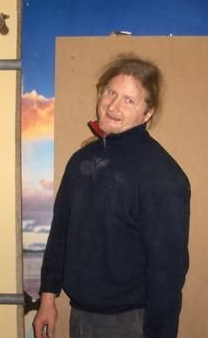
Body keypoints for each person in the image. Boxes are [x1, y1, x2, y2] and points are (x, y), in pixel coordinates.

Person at [33, 54, 190, 338]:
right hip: (80, 315)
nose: (114, 106)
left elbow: (167, 273)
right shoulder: (81, 160)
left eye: (129, 100)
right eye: (111, 93)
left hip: (129, 322)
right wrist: (47, 298)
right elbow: (60, 233)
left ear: (147, 113)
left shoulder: (162, 175)